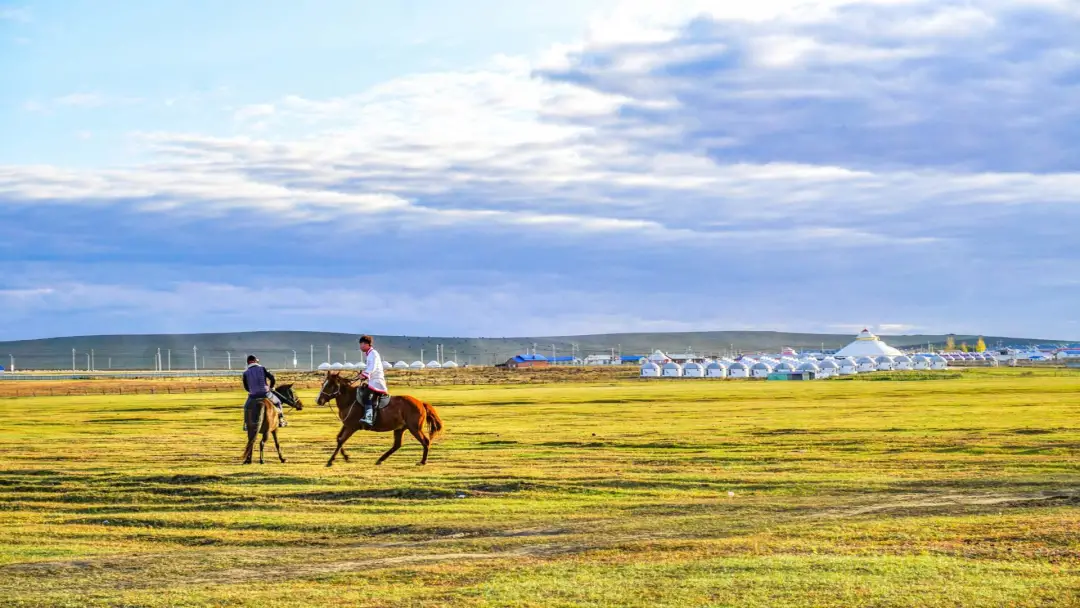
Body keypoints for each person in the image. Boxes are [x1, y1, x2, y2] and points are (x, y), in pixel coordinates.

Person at [242, 354, 285, 431]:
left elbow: (246, 386)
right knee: (278, 402)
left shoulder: (245, 373)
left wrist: (251, 391)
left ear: (248, 362)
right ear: (255, 361)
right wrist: (271, 387)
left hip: (253, 395)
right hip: (265, 394)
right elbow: (272, 378)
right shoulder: (262, 368)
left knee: (246, 407)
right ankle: (281, 420)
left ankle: (246, 424)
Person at [357, 335, 387, 426]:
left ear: (367, 344)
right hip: (373, 380)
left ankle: (369, 418)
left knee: (366, 396)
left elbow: (372, 368)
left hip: (376, 381)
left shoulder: (373, 354)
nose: (360, 346)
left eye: (361, 344)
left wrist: (364, 375)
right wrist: (363, 375)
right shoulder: (370, 354)